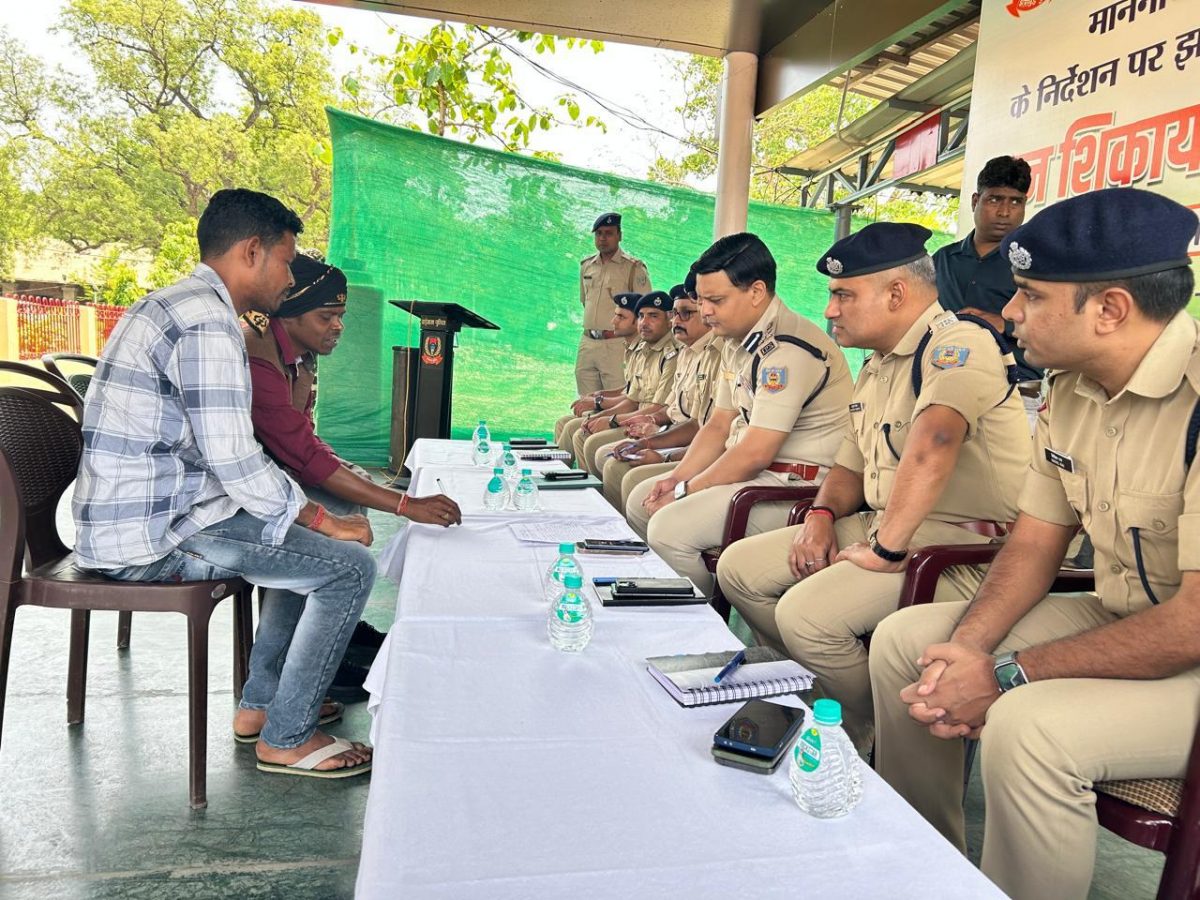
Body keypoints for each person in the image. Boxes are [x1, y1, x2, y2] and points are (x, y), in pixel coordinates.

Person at [869, 188, 1200, 900]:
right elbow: (1033, 543)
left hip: (1192, 646)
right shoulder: (1071, 389)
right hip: (1125, 616)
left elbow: (1192, 625)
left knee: (1028, 728)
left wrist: (1006, 674)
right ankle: (921, 869)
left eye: (1031, 294)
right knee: (910, 643)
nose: (1010, 311)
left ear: (1110, 309)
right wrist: (970, 648)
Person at [73, 188, 373, 778]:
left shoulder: (178, 304)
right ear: (251, 251)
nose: (291, 277)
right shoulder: (207, 322)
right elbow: (234, 458)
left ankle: (263, 706)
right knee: (348, 567)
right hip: (157, 536)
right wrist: (323, 519)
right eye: (287, 261)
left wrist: (306, 517)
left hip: (151, 516)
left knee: (302, 542)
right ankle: (286, 737)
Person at [716, 222, 1031, 751]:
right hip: (886, 524)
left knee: (807, 616)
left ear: (896, 294)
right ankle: (845, 712)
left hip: (963, 546)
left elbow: (935, 441)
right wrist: (820, 517)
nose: (830, 310)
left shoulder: (956, 344)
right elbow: (849, 465)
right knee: (739, 569)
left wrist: (887, 548)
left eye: (843, 295)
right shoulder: (878, 366)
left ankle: (876, 734)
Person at [241, 253, 462, 701]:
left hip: (267, 486)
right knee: (329, 541)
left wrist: (346, 469)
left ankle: (323, 645)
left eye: (340, 315)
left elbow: (303, 439)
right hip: (229, 504)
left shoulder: (296, 354)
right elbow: (300, 455)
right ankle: (274, 682)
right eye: (327, 316)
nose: (338, 326)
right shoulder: (258, 355)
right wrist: (404, 504)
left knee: (345, 499)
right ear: (289, 312)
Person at [626, 233, 852, 596]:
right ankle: (671, 605)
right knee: (643, 499)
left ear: (757, 292)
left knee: (669, 531)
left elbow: (755, 452)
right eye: (701, 300)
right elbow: (719, 425)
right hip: (756, 476)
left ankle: (702, 620)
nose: (705, 311)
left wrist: (684, 491)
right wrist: (677, 478)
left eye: (716, 300)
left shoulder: (787, 350)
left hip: (793, 487)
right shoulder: (736, 341)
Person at [932, 155, 1043, 422]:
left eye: (1015, 202)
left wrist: (1004, 324)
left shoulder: (1036, 265)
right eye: (995, 199)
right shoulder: (942, 260)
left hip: (1014, 392)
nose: (1005, 212)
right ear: (975, 201)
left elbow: (1060, 323)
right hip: (944, 385)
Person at [600, 279, 723, 512]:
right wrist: (649, 426)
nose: (677, 320)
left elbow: (704, 428)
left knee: (630, 479)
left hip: (698, 447)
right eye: (675, 313)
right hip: (680, 436)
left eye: (686, 313)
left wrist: (661, 452)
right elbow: (673, 409)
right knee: (613, 459)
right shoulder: (688, 352)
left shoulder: (716, 353)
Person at [573, 290, 679, 477]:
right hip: (641, 420)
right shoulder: (645, 349)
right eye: (641, 316)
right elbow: (632, 397)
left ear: (670, 320)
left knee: (595, 446)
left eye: (653, 316)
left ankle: (595, 491)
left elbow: (657, 408)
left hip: (657, 425)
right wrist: (603, 413)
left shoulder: (673, 354)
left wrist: (611, 418)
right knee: (580, 431)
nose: (644, 322)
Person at [555, 291, 641, 456]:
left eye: (621, 317)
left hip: (638, 418)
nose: (613, 321)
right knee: (563, 423)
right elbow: (630, 391)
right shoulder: (632, 349)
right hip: (629, 412)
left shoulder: (647, 351)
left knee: (580, 433)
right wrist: (600, 395)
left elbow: (636, 401)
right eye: (615, 315)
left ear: (637, 322)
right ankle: (555, 468)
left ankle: (567, 471)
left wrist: (599, 404)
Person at [575, 212, 652, 395]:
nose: (603, 238)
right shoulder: (587, 266)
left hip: (617, 344)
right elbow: (584, 301)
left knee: (616, 398)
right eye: (599, 233)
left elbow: (645, 310)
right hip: (588, 342)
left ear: (619, 235)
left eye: (609, 233)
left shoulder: (633, 268)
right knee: (586, 401)